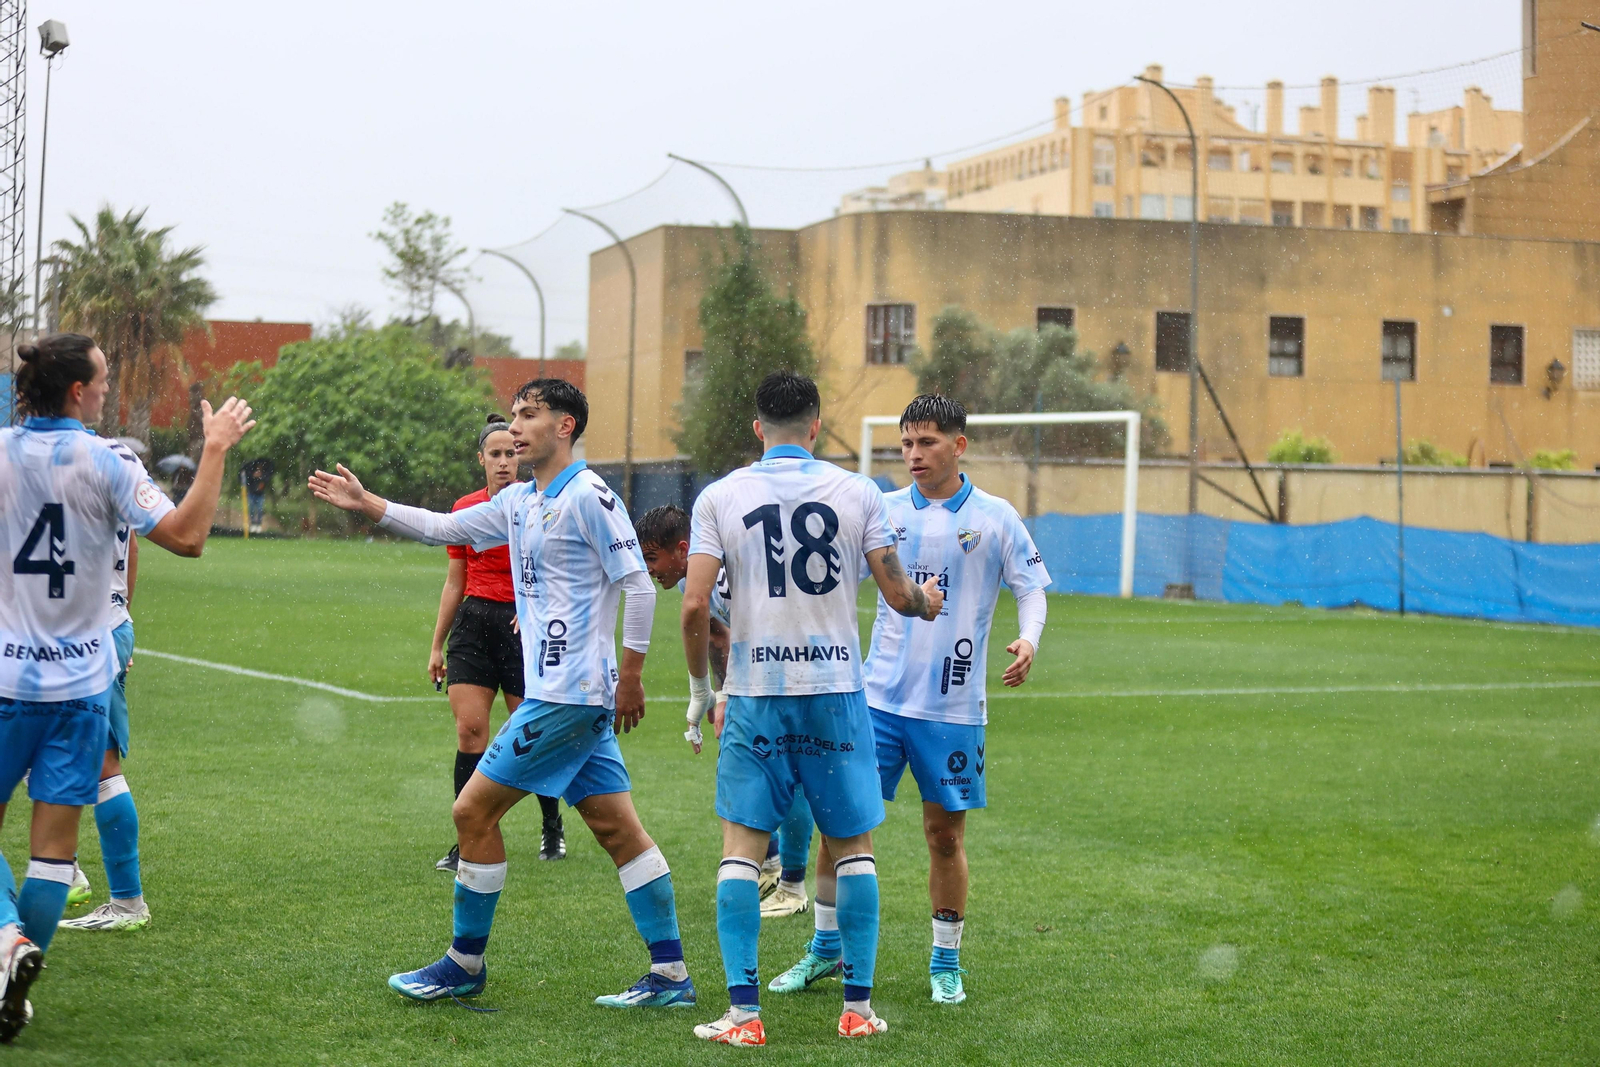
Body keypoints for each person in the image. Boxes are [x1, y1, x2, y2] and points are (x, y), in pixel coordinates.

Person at [309, 379, 696, 1010]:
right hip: (565, 696)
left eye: (529, 415)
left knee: (471, 813)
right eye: (514, 415)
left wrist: (631, 677)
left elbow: (642, 587)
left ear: (565, 426)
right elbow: (441, 527)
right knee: (616, 828)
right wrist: (368, 503)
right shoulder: (519, 501)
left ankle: (464, 963)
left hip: (569, 697)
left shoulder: (591, 496)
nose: (515, 427)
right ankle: (672, 976)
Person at [0, 333, 254, 1043]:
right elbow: (188, 534)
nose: (109, 388)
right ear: (78, 391)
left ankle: (8, 941)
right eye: (104, 379)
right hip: (83, 681)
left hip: (7, 679)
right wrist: (213, 448)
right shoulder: (108, 462)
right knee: (53, 852)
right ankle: (18, 964)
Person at [681, 370, 943, 1046]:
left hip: (758, 692)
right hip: (835, 691)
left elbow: (691, 606)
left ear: (757, 427)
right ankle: (856, 1009)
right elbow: (896, 591)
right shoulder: (856, 492)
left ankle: (744, 1015)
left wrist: (701, 691)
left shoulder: (720, 496)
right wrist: (928, 601)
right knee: (854, 847)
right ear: (818, 425)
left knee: (740, 850)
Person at [773, 394, 1049, 1007]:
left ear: (959, 445)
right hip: (874, 703)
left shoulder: (997, 517)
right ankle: (824, 949)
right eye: (906, 443)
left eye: (926, 443)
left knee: (944, 836)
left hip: (952, 709)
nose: (913, 455)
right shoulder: (883, 510)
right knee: (837, 823)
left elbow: (1032, 588)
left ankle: (946, 959)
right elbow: (837, 580)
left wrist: (1028, 639)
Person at [635, 503, 816, 919]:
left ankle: (794, 884)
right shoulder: (690, 581)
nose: (650, 569)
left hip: (796, 671)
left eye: (652, 558)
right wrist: (721, 696)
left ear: (682, 550)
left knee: (790, 774)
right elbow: (719, 637)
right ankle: (770, 868)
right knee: (749, 770)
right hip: (753, 680)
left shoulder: (722, 568)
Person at [429, 414, 564, 872]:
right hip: (473, 624)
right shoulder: (465, 507)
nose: (504, 462)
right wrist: (436, 645)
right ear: (482, 459)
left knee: (531, 734)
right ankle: (471, 837)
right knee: (470, 733)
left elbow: (553, 574)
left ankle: (552, 824)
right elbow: (454, 581)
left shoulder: (538, 505)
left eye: (511, 453)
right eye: (496, 454)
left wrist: (538, 619)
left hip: (522, 626)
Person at [56, 507, 149, 932]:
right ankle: (65, 868)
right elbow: (131, 544)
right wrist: (121, 617)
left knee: (101, 764)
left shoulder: (48, 464)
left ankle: (128, 903)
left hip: (80, 636)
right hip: (100, 629)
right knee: (47, 745)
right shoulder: (115, 463)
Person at [242, 457, 273, 534]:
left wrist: (260, 478)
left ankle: (258, 525)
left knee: (259, 510)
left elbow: (266, 480)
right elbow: (248, 480)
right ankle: (253, 524)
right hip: (251, 493)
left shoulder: (265, 474)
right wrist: (254, 477)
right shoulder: (251, 472)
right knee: (252, 510)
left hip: (260, 495)